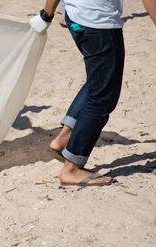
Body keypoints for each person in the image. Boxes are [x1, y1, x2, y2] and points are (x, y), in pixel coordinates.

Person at [30, 0, 156, 186]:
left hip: (75, 16)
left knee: (98, 81)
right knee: (103, 97)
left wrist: (47, 13)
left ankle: (63, 139)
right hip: (98, 22)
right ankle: (71, 168)